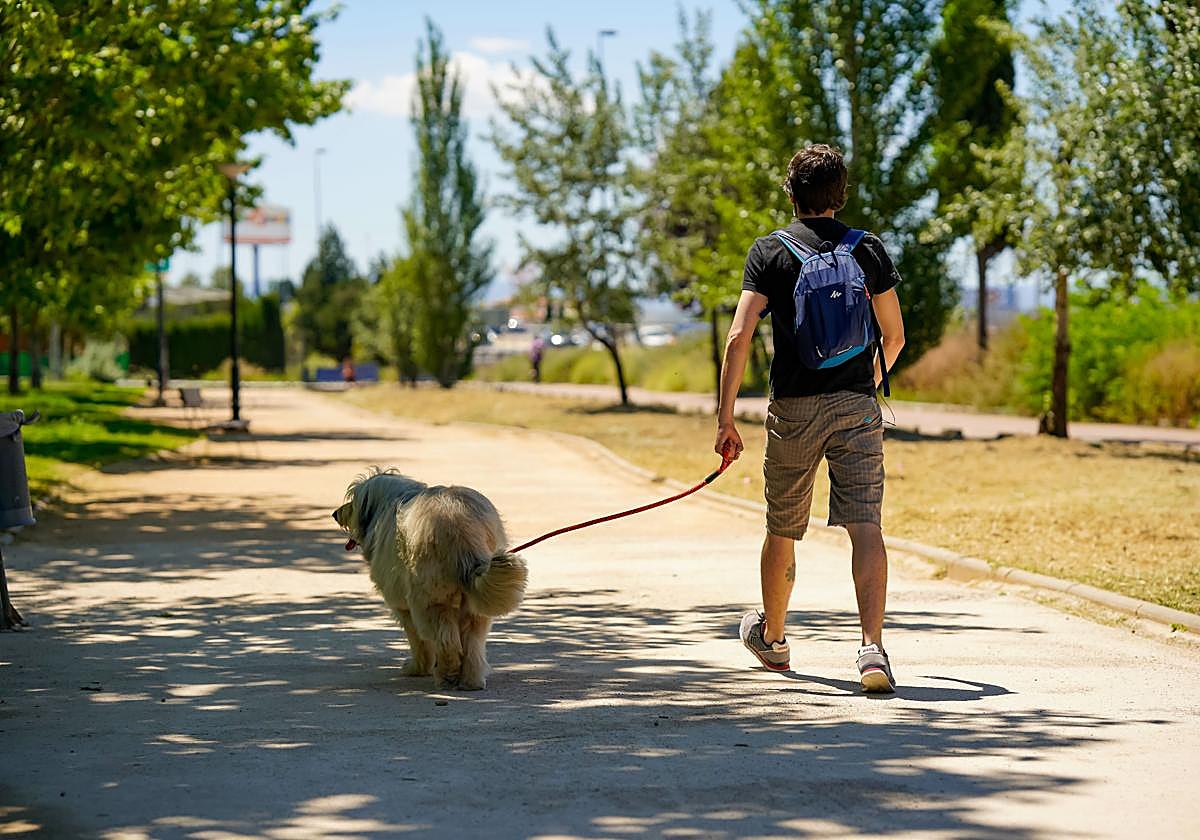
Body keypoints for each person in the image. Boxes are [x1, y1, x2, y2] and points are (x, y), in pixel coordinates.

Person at [714, 143, 906, 692]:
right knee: (864, 522)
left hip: (793, 409)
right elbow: (894, 336)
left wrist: (725, 419)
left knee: (783, 526)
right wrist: (865, 385)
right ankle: (872, 650)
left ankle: (773, 640)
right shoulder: (867, 249)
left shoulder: (769, 253)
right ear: (839, 194)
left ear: (791, 193)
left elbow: (739, 334)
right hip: (856, 407)